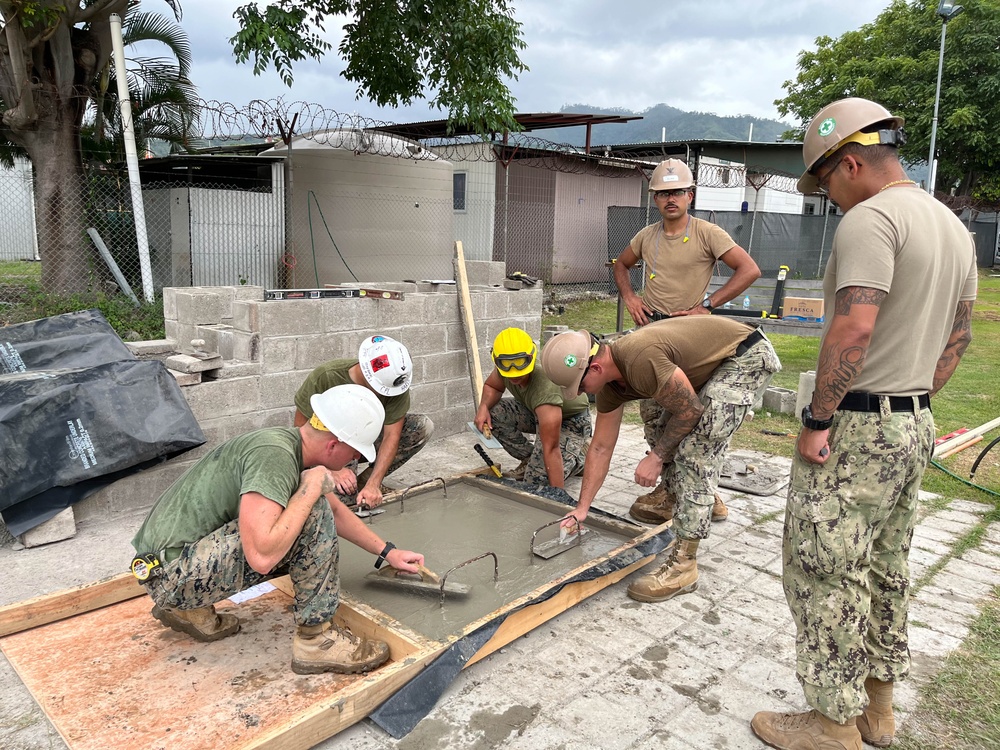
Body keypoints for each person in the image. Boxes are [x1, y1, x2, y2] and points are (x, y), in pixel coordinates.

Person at [749, 98, 978, 750]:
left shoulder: (871, 221)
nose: (829, 198)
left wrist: (819, 419)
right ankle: (878, 711)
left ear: (850, 161)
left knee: (824, 570)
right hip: (913, 422)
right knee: (885, 565)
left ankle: (830, 725)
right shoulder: (951, 227)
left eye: (826, 183)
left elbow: (854, 324)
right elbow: (956, 337)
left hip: (857, 428)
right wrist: (911, 403)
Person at [131, 384, 425, 675]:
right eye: (354, 454)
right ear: (333, 445)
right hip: (173, 575)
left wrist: (388, 552)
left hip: (166, 566)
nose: (354, 462)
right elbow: (262, 555)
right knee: (309, 510)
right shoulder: (274, 457)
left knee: (311, 505)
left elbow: (335, 509)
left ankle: (186, 610)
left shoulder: (288, 447)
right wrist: (310, 491)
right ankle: (316, 640)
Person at [540, 318, 780, 602]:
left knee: (695, 451)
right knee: (657, 422)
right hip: (714, 363)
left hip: (745, 357)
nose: (580, 394)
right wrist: (582, 508)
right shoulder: (609, 384)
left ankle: (683, 566)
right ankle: (684, 497)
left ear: (595, 368)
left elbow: (690, 411)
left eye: (579, 387)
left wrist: (656, 457)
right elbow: (601, 447)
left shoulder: (640, 359)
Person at [613, 157, 762, 520]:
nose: (670, 199)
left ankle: (706, 493)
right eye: (662, 194)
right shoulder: (646, 237)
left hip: (692, 340)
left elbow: (750, 269)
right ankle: (669, 487)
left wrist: (708, 305)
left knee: (699, 418)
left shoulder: (708, 233)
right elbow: (621, 265)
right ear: (654, 199)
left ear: (690, 195)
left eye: (677, 192)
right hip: (652, 332)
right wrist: (631, 298)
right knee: (654, 414)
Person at [294, 335, 433, 508]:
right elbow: (300, 431)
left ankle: (364, 481)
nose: (384, 395)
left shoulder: (394, 385)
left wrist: (373, 484)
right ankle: (337, 479)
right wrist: (332, 471)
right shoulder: (327, 376)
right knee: (343, 505)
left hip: (366, 440)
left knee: (422, 427)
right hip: (335, 445)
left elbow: (392, 436)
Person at [473, 327, 591, 487]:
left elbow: (551, 448)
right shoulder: (505, 366)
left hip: (570, 420)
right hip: (535, 411)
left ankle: (580, 457)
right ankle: (530, 459)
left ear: (530, 357)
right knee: (494, 413)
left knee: (538, 483)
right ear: (497, 360)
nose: (514, 373)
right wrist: (483, 408)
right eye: (507, 366)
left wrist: (556, 495)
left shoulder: (544, 385)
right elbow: (492, 386)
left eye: (520, 367)